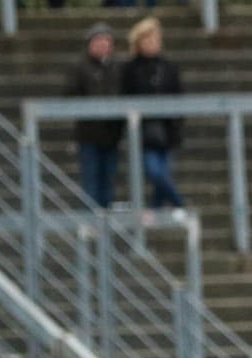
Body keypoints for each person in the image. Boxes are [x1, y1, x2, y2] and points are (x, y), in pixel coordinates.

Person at [121, 17, 185, 212]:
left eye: (155, 39)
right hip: (143, 131)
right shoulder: (131, 69)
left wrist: (176, 123)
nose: (152, 44)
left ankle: (155, 213)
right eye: (147, 40)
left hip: (167, 130)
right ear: (138, 43)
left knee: (162, 175)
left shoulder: (169, 67)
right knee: (155, 172)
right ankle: (181, 204)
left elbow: (180, 95)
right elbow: (125, 97)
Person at [66, 23, 124, 209]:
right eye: (98, 41)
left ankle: (105, 220)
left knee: (108, 180)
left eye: (106, 41)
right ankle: (92, 222)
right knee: (91, 181)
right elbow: (69, 94)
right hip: (88, 135)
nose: (102, 45)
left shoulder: (118, 68)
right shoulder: (80, 68)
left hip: (111, 134)